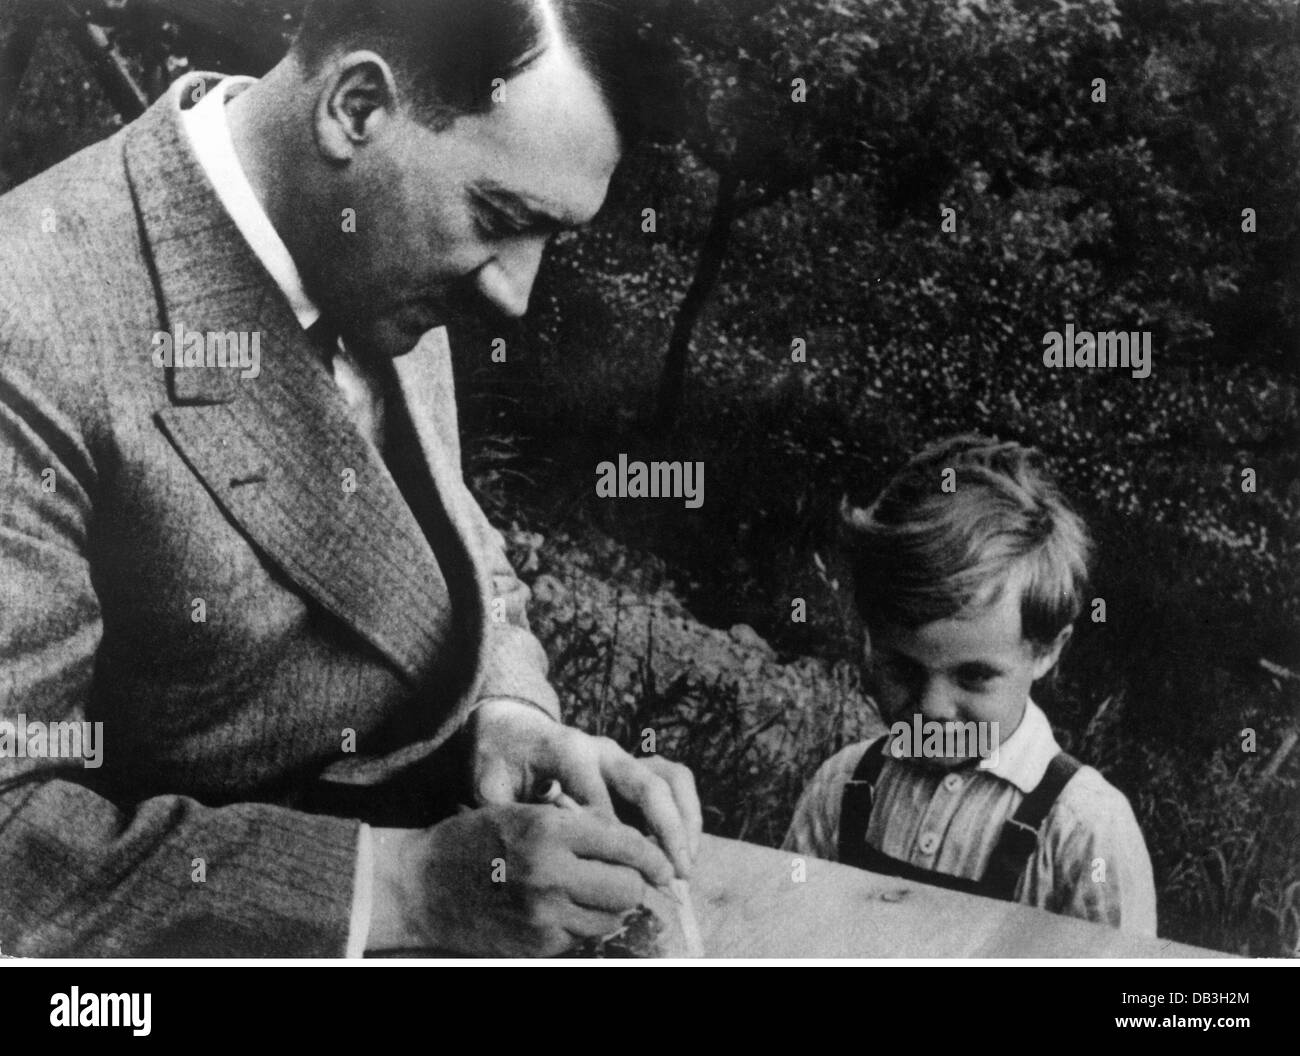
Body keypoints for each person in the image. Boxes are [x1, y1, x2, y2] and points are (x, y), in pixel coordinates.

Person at [0, 0, 700, 957]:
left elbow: (446, 537)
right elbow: (9, 849)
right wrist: (403, 887)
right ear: (358, 108)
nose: (515, 294)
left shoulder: (370, 253)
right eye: (501, 217)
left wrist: (506, 714)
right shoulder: (32, 325)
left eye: (552, 239)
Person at [783, 435, 1157, 934]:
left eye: (975, 675)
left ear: (1046, 650)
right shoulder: (842, 788)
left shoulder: (1083, 832)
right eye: (903, 669)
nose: (933, 711)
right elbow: (786, 940)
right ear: (870, 641)